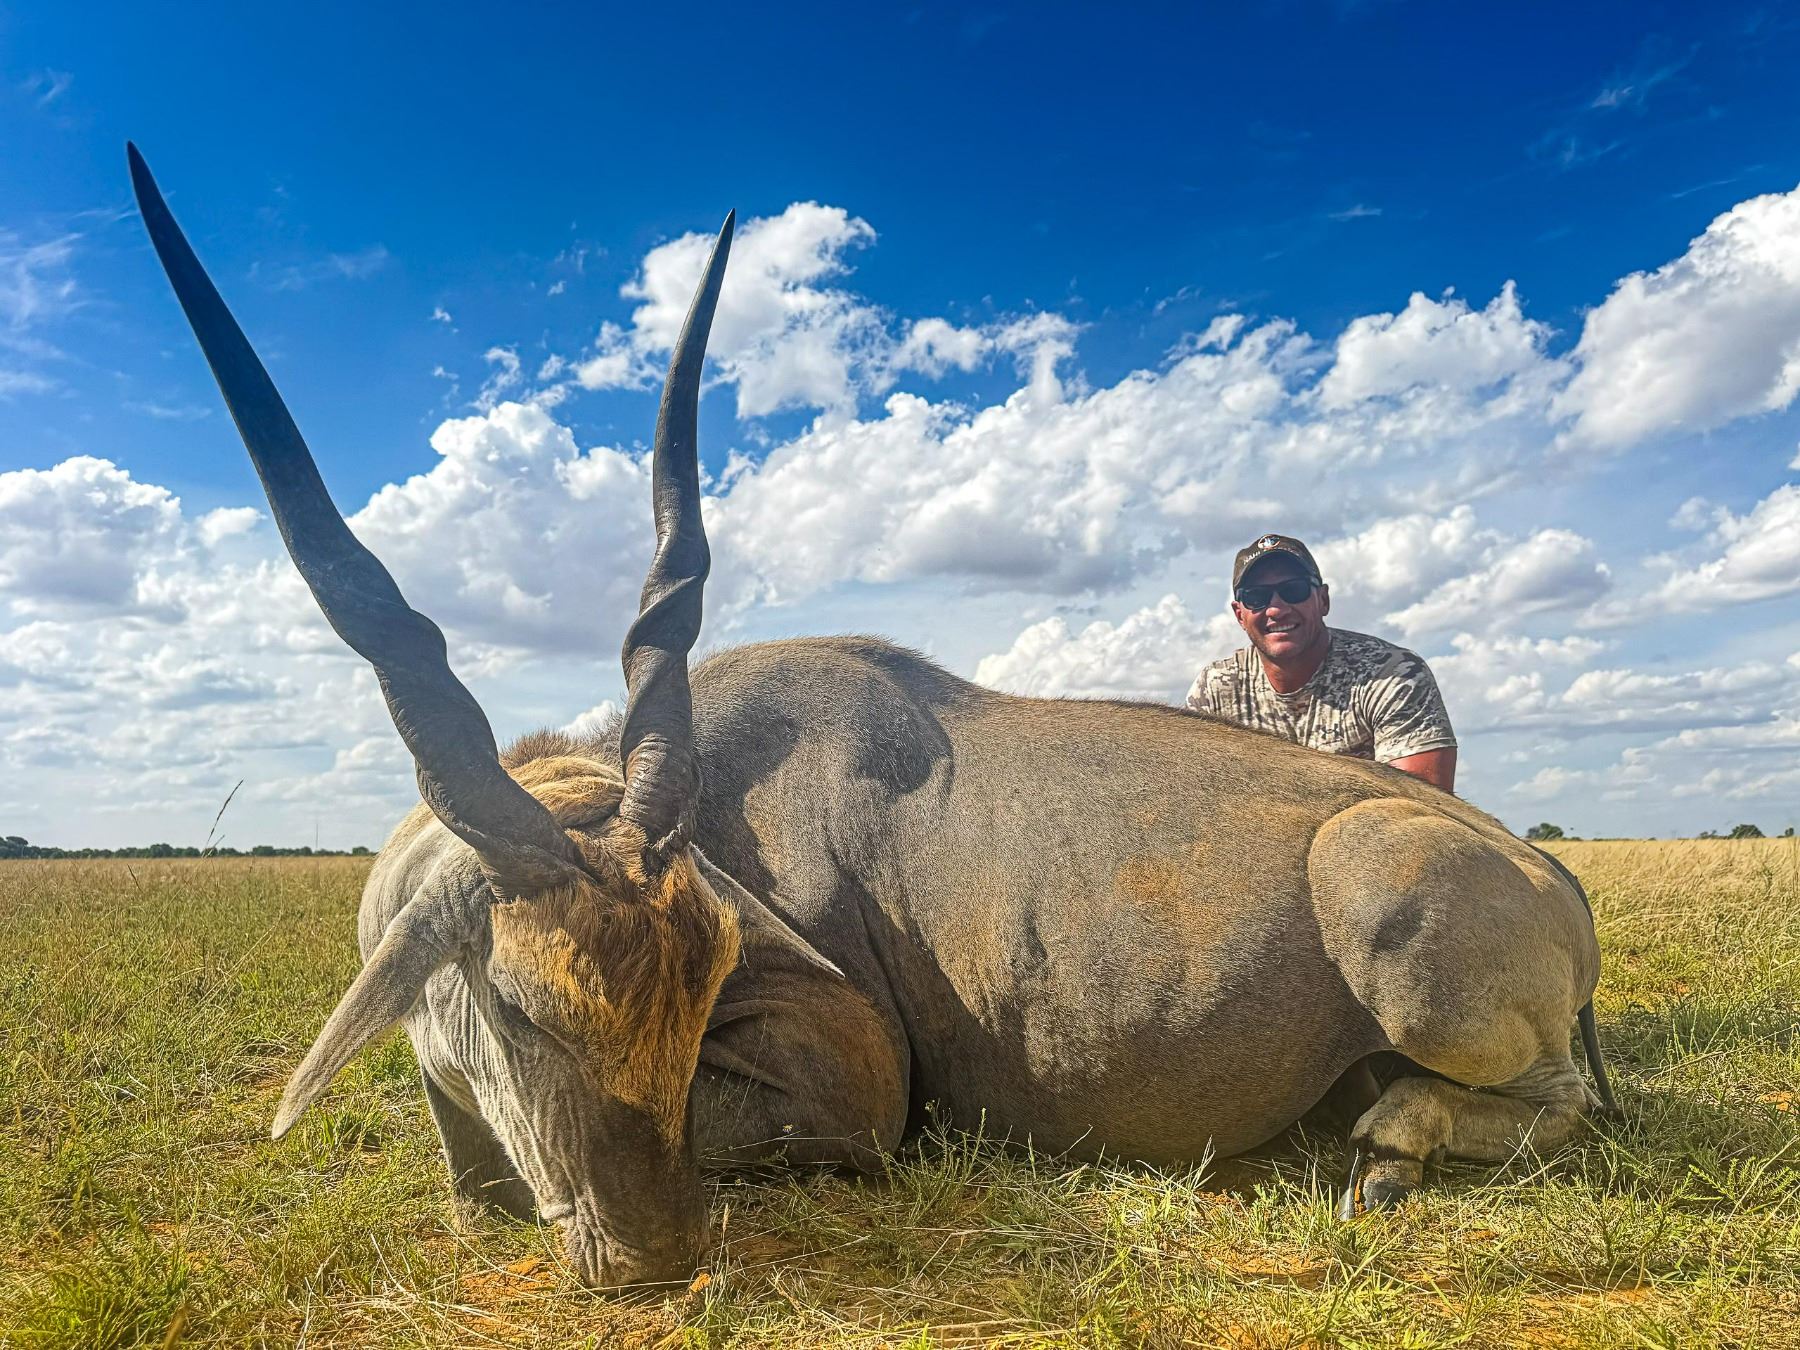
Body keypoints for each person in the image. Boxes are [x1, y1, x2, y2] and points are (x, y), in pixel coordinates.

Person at [1185, 533, 1458, 791]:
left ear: (1323, 600)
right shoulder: (1215, 689)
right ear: (1239, 615)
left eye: (1294, 590)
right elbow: (1196, 796)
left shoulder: (1394, 674)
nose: (1276, 609)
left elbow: (1422, 808)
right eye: (1256, 597)